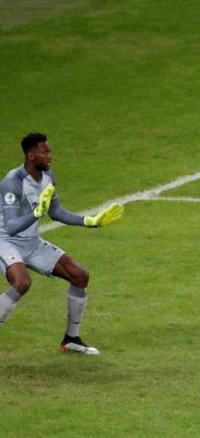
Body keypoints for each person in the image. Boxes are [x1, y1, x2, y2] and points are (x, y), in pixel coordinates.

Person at [0, 133, 124, 355]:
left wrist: (90, 221)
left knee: (80, 275)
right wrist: (36, 213)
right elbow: (11, 226)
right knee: (22, 283)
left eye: (50, 151)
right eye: (44, 152)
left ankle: (71, 339)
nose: (50, 156)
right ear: (31, 155)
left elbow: (56, 212)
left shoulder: (47, 178)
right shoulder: (12, 182)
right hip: (6, 242)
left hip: (31, 243)